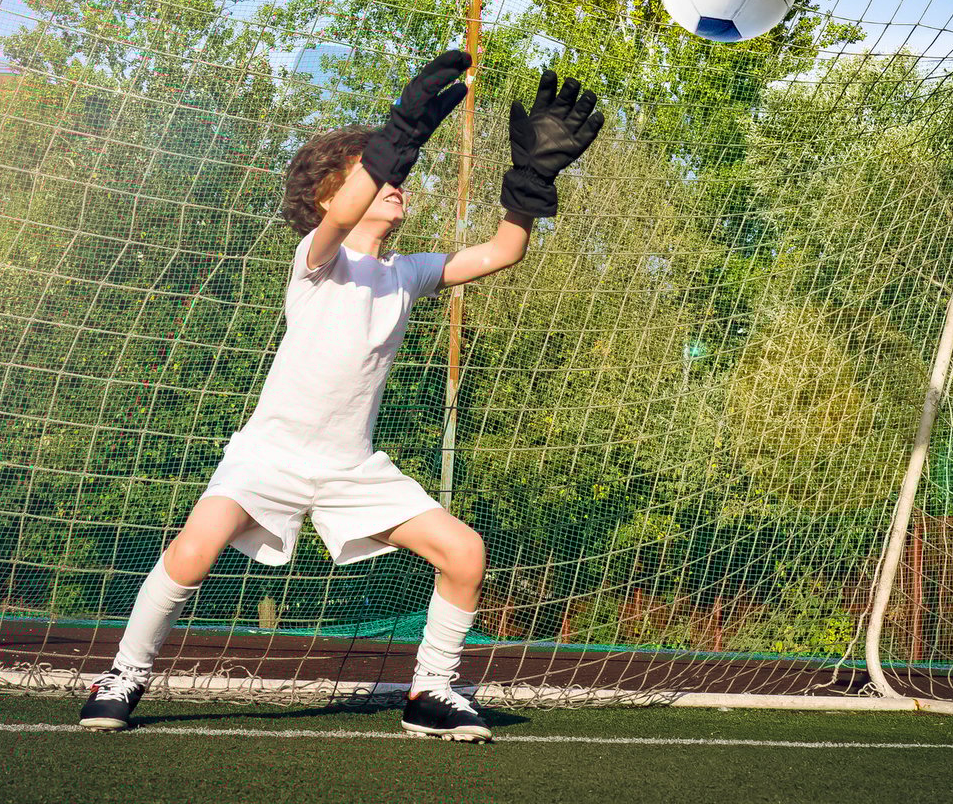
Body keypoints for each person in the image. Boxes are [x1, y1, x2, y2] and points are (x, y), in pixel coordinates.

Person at [79, 51, 603, 740]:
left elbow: (502, 252)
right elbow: (350, 204)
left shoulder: (406, 274)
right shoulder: (316, 262)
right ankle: (122, 676)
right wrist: (394, 138)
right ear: (331, 198)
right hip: (269, 457)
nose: (400, 184)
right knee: (194, 550)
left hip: (351, 468)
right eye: (385, 175)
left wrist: (530, 181)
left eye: (401, 175)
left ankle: (431, 693)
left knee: (464, 554)